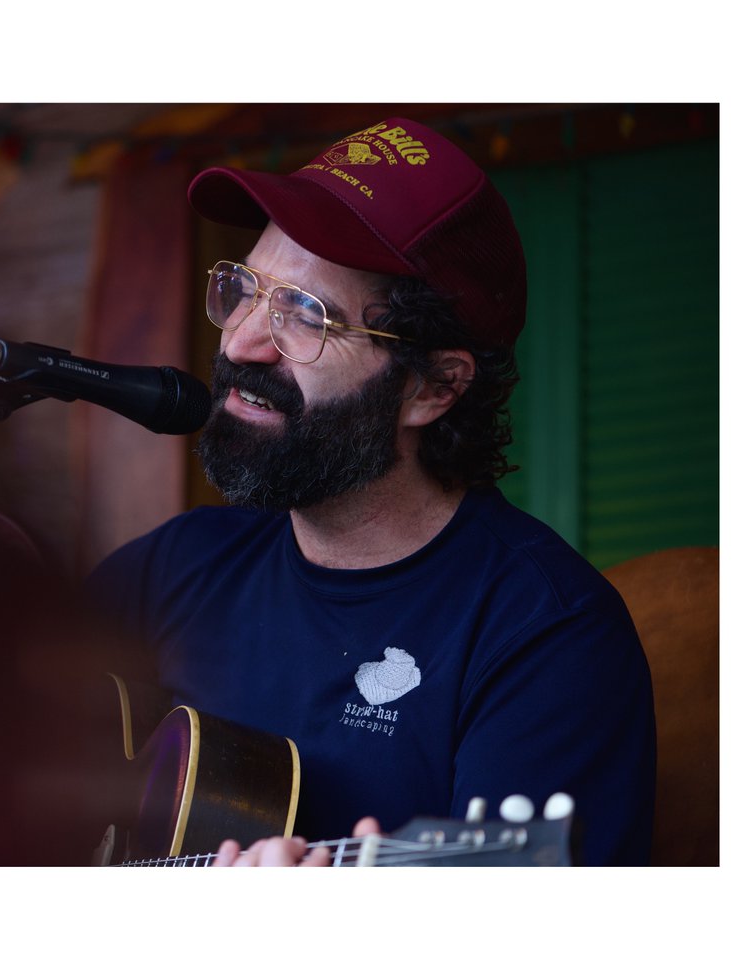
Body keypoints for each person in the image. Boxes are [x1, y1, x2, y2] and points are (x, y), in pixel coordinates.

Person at [85, 117, 656, 866]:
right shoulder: (170, 570)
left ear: (435, 387)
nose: (243, 341)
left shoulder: (546, 637)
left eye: (303, 314)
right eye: (246, 289)